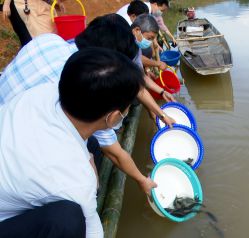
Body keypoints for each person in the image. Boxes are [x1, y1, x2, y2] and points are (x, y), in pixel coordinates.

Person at [0, 13, 169, 196]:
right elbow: (116, 154)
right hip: (13, 160)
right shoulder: (80, 86)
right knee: (92, 152)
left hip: (8, 115)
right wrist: (142, 180)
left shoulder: (49, 40)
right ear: (105, 61)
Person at [0, 48, 144, 237]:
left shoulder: (42, 92)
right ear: (113, 117)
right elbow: (93, 233)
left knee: (92, 144)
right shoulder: (77, 182)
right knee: (68, 220)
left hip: (16, 172)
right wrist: (91, 183)